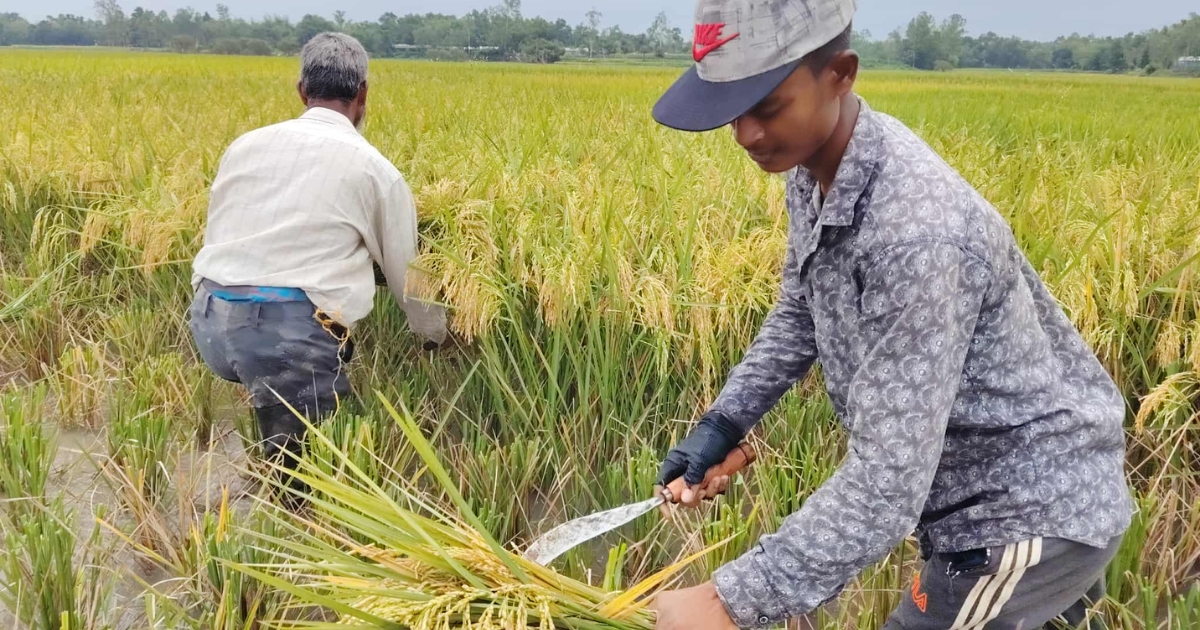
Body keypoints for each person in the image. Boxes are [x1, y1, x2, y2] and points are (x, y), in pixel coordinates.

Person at [648, 1, 1133, 628]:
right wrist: (725, 420)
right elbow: (803, 308)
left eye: (766, 108)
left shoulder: (916, 235)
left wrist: (729, 602)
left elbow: (890, 476)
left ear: (840, 74)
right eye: (732, 112)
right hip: (981, 497)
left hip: (1024, 511)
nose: (746, 136)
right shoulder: (817, 166)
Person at [189, 32, 446, 497]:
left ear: (301, 91)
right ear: (363, 94)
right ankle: (295, 524)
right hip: (280, 338)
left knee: (299, 387)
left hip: (208, 319)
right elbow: (410, 275)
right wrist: (433, 336)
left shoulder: (243, 146)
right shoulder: (376, 170)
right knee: (311, 473)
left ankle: (275, 431)